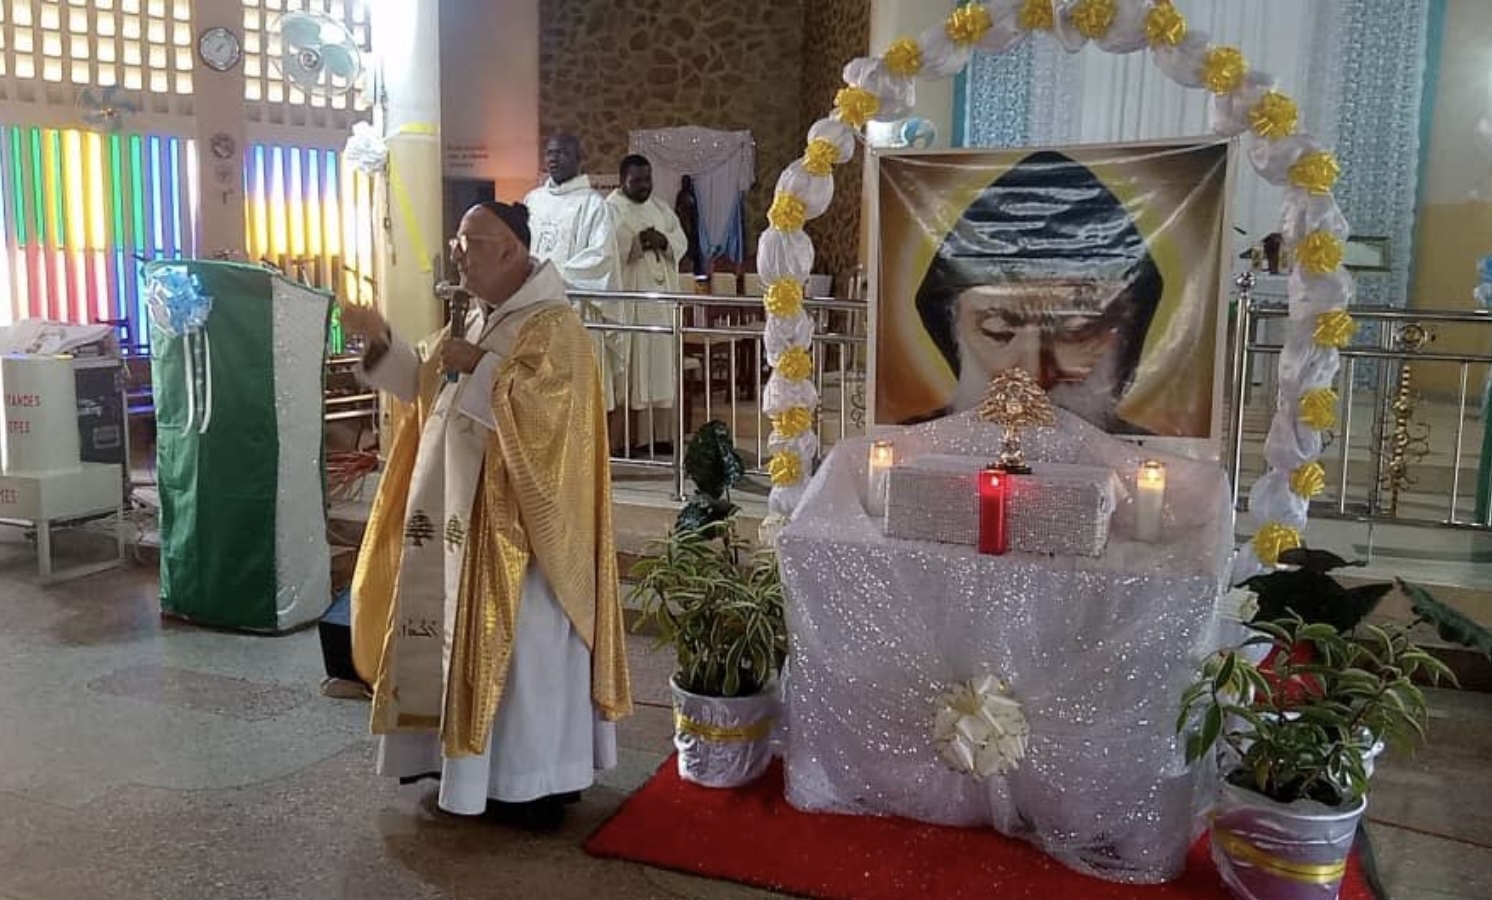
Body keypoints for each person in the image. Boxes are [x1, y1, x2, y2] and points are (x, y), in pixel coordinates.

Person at [341, 200, 632, 831]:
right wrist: (379, 341)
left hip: (522, 535)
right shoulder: (480, 315)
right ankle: (465, 772)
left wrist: (486, 371)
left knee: (527, 652)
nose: (458, 253)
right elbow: (426, 383)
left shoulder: (554, 326)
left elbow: (557, 418)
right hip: (457, 517)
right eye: (457, 240)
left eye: (471, 242)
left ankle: (533, 782)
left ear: (511, 251)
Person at [911, 150, 1164, 434]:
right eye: (998, 330)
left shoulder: (1155, 461)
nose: (1032, 373)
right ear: (954, 329)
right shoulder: (917, 446)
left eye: (1075, 329)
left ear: (1125, 329)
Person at [523, 135, 623, 415]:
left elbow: (600, 258)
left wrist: (548, 274)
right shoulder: (533, 200)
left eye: (563, 153)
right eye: (550, 153)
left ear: (579, 159)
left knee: (577, 400)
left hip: (576, 311)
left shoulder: (593, 204)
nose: (554, 158)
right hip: (534, 309)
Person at [607, 154, 687, 455]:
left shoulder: (661, 208)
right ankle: (626, 439)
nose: (644, 185)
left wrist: (663, 241)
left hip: (661, 303)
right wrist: (639, 240)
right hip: (631, 304)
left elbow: (680, 241)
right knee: (632, 369)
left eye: (648, 179)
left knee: (660, 369)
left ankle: (659, 436)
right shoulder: (610, 210)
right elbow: (610, 245)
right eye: (637, 180)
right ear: (622, 180)